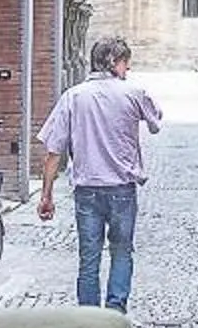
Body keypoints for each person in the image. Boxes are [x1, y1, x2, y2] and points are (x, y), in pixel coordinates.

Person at [36, 35, 164, 310]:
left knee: (89, 257)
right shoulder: (133, 93)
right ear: (114, 63)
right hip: (121, 189)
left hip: (87, 190)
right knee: (121, 252)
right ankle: (116, 311)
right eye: (125, 63)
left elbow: (53, 152)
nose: (127, 69)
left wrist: (46, 195)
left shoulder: (73, 97)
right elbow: (156, 122)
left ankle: (89, 318)